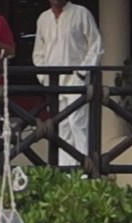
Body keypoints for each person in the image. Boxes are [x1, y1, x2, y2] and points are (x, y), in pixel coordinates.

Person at [33, 0, 102, 166]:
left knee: (77, 123)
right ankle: (67, 173)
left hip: (76, 80)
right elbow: (39, 53)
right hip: (54, 83)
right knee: (61, 127)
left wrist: (82, 72)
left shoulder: (81, 13)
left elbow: (96, 45)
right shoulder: (43, 18)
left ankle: (86, 169)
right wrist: (44, 78)